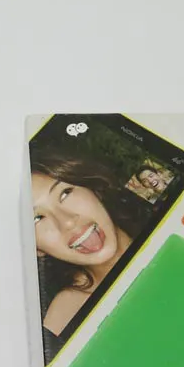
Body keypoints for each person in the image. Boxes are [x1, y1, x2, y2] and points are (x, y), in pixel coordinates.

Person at [31, 148, 147, 353]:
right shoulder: (63, 320)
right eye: (37, 218)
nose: (67, 222)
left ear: (93, 188)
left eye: (65, 193)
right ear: (36, 249)